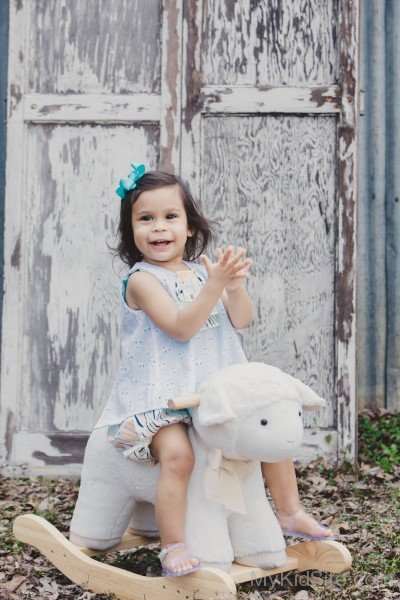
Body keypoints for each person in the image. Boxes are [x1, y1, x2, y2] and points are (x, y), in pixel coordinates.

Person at [70, 163, 335, 578]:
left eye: (170, 217)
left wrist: (232, 286)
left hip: (216, 395)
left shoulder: (202, 273)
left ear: (190, 227)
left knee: (269, 432)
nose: (159, 228)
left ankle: (289, 511)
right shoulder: (141, 281)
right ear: (131, 230)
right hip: (162, 402)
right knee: (178, 455)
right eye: (146, 219)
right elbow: (179, 328)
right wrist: (214, 287)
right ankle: (174, 543)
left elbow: (242, 319)